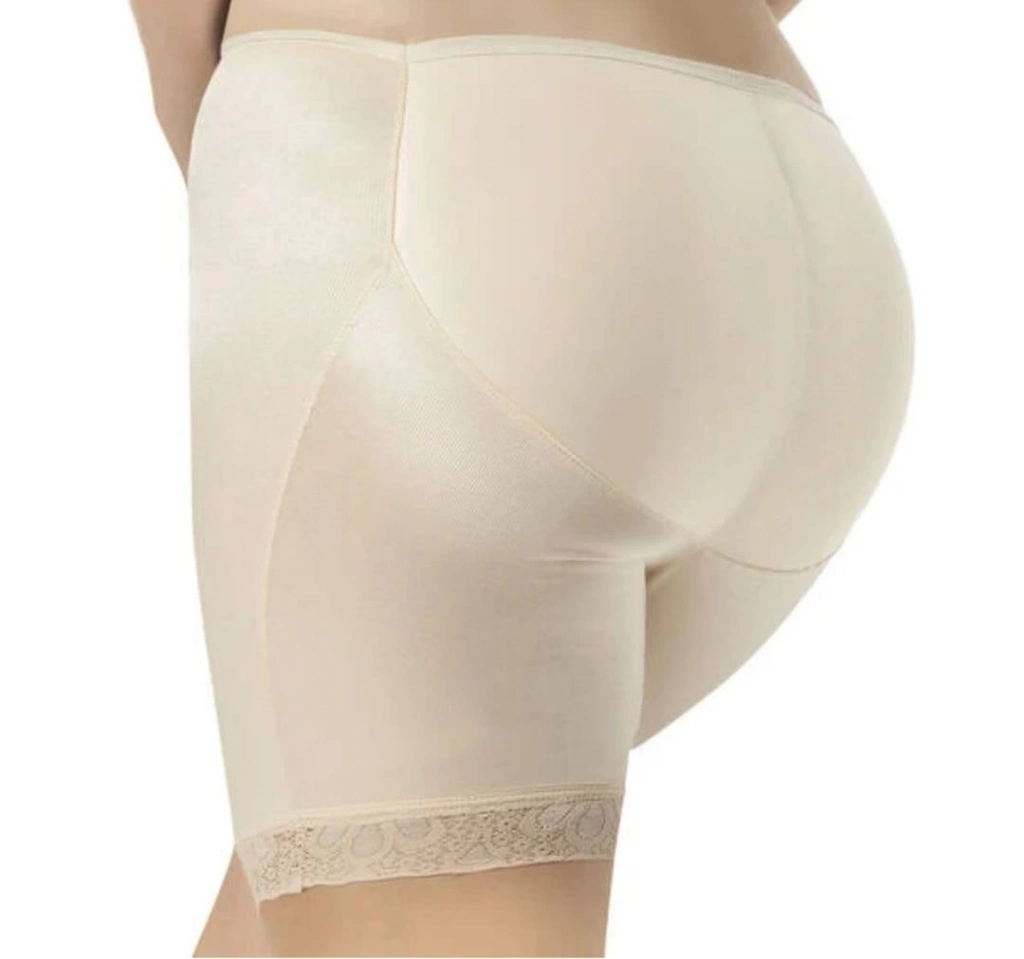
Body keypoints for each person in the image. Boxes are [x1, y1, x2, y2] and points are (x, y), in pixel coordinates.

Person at [129, 1, 915, 955]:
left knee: (385, 888)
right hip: (786, 199)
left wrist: (265, 185)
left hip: (420, 162)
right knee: (312, 875)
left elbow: (183, 38)